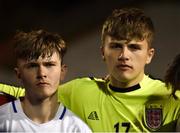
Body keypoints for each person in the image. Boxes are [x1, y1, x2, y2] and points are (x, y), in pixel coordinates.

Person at [0, 8, 180, 132]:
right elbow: (24, 95)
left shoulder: (170, 97)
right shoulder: (80, 92)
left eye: (134, 47)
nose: (124, 55)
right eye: (116, 46)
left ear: (149, 55)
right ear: (103, 52)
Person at [0, 29, 92, 132]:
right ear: (18, 74)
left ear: (62, 71)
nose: (42, 74)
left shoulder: (77, 129)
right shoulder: (2, 120)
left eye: (49, 65)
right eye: (32, 66)